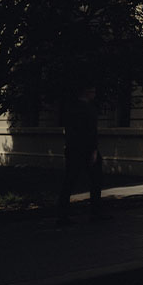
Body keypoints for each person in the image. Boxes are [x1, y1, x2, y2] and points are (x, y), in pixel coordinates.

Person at [57, 86, 104, 225]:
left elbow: (69, 131)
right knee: (96, 181)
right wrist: (94, 150)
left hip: (73, 149)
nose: (95, 94)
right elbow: (91, 132)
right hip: (86, 150)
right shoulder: (89, 110)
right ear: (87, 93)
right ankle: (95, 213)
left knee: (69, 181)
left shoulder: (71, 108)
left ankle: (62, 215)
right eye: (93, 92)